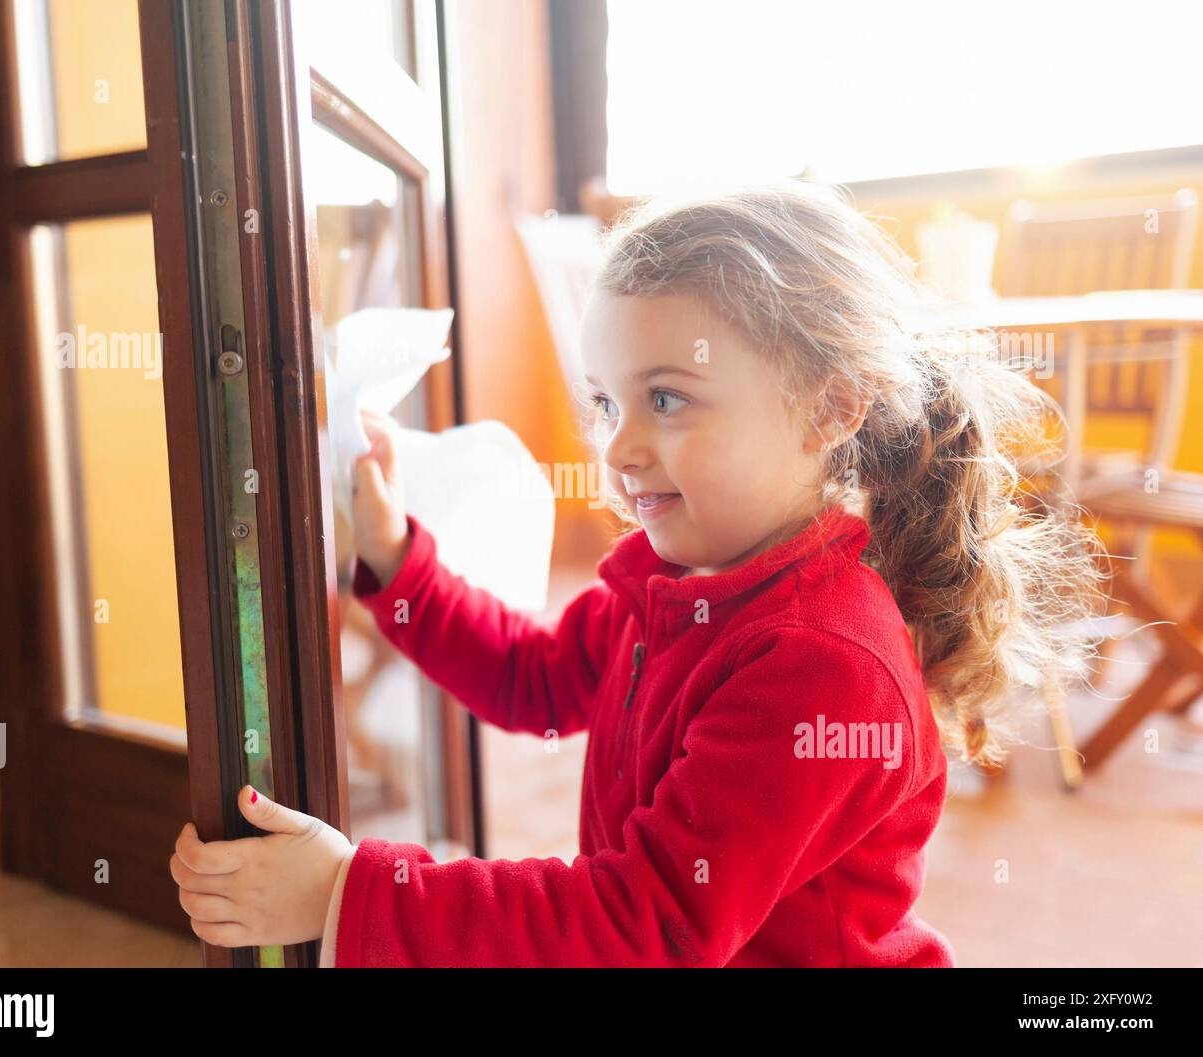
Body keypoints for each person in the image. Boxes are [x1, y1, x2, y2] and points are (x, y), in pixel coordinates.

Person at [170, 180, 1108, 966]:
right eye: (608, 401)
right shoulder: (678, 584)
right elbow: (532, 679)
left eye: (667, 398)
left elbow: (643, 921)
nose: (618, 446)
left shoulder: (825, 666)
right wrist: (394, 555)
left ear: (829, 409)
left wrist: (352, 894)